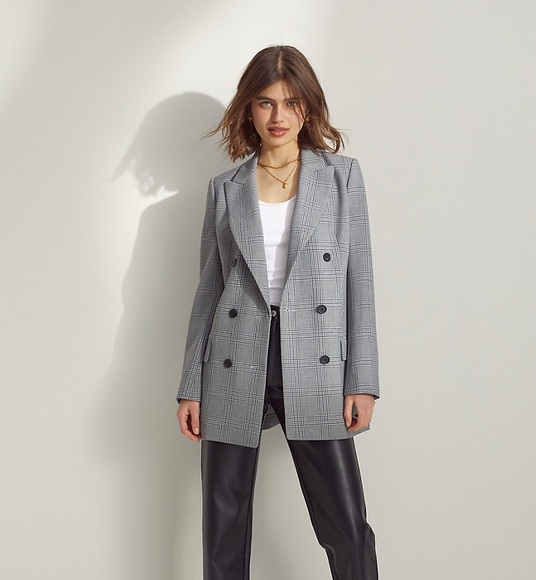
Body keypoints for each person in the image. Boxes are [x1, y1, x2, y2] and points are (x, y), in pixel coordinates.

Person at [176, 45, 380, 580]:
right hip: (232, 363)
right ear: (249, 108)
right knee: (222, 532)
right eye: (265, 102)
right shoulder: (226, 189)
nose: (278, 116)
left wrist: (362, 380)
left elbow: (359, 282)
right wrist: (191, 386)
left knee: (346, 527)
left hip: (315, 362)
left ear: (308, 108)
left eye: (291, 103)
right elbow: (208, 291)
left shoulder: (341, 178)